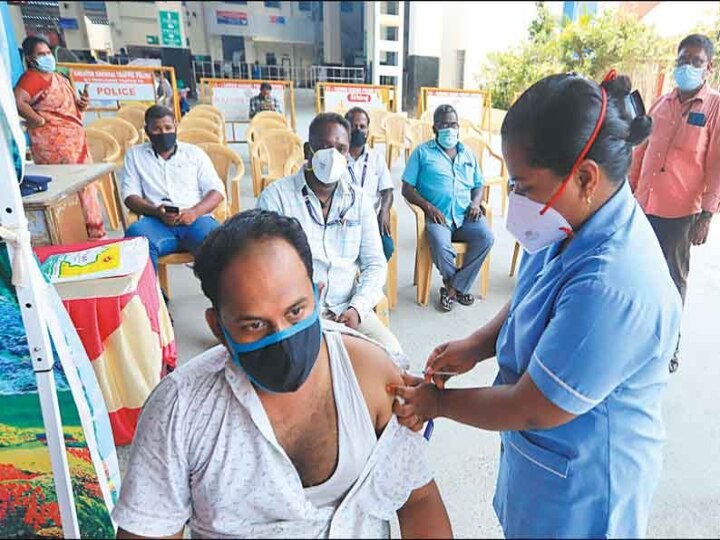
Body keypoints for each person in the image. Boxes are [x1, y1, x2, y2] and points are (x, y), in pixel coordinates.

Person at [389, 72, 683, 538]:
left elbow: (532, 407)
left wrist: (436, 404)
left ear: (585, 177)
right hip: (545, 467)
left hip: (585, 489)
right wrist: (477, 344)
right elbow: (535, 291)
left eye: (524, 186)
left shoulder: (613, 283)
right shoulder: (570, 217)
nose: (517, 199)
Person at [113, 209, 452, 539]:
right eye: (255, 325)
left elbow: (417, 498)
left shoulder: (370, 373)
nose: (283, 339)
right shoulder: (180, 411)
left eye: (296, 311)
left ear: (318, 297)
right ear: (219, 329)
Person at [257, 113, 402, 355]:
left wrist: (357, 308)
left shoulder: (359, 201)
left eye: (340, 149)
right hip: (297, 314)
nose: (333, 155)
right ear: (307, 151)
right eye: (324, 147)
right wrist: (302, 306)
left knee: (393, 358)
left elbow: (375, 264)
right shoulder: (276, 199)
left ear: (347, 155)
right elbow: (266, 269)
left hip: (347, 307)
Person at [629, 34, 720, 373]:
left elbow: (716, 165)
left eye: (695, 61)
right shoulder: (661, 103)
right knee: (638, 273)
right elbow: (641, 152)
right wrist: (629, 193)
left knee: (671, 279)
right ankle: (637, 338)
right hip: (643, 205)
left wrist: (707, 215)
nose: (687, 67)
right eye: (682, 59)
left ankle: (669, 345)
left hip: (680, 212)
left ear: (708, 67)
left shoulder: (714, 108)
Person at [402, 104, 494, 311]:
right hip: (438, 217)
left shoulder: (468, 154)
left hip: (466, 216)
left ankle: (451, 289)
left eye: (453, 124)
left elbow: (479, 185)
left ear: (458, 127)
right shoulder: (421, 153)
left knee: (486, 237)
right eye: (444, 124)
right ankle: (458, 288)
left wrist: (476, 202)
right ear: (434, 128)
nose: (449, 129)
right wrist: (428, 207)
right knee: (439, 243)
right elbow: (406, 188)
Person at [14, 35, 105, 239]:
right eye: (41, 54)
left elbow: (69, 109)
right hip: (53, 147)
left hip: (73, 142)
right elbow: (19, 101)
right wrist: (37, 120)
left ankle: (92, 232)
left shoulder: (57, 77)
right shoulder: (33, 78)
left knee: (85, 187)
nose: (47, 57)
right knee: (69, 192)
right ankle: (79, 236)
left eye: (48, 53)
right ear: (30, 58)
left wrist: (82, 103)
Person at [122, 105, 225, 271]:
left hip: (196, 219)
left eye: (168, 128)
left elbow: (217, 191)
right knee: (135, 243)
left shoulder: (194, 154)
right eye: (156, 129)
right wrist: (156, 211)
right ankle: (153, 296)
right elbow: (130, 196)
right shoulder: (135, 155)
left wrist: (194, 212)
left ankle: (220, 295)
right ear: (147, 131)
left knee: (221, 246)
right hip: (156, 222)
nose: (163, 133)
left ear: (175, 126)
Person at [345, 107, 395, 260]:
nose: (358, 130)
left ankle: (370, 280)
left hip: (370, 219)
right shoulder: (338, 157)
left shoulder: (376, 158)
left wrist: (384, 210)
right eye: (353, 126)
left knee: (386, 247)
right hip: (343, 220)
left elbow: (387, 191)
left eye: (362, 126)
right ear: (346, 128)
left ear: (368, 130)